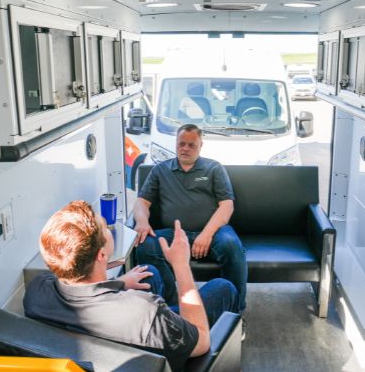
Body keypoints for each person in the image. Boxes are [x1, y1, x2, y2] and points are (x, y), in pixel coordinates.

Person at [23, 200, 238, 372]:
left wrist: (120, 282)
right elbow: (202, 341)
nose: (109, 230)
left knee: (149, 274)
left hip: (98, 352)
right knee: (223, 287)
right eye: (105, 229)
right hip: (169, 352)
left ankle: (175, 320)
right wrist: (181, 265)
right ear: (101, 254)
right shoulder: (145, 312)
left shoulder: (36, 292)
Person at [134, 124, 247, 312]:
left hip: (213, 231)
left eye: (191, 145)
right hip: (175, 233)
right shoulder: (160, 170)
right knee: (146, 246)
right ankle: (171, 309)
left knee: (232, 247)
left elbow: (227, 206)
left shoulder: (214, 168)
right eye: (181, 144)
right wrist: (142, 221)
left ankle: (234, 313)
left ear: (201, 145)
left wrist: (206, 234)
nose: (185, 148)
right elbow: (142, 202)